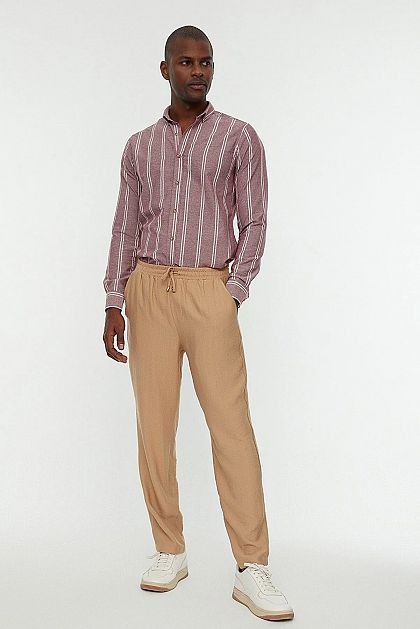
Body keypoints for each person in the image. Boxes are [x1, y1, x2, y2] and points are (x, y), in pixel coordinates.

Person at [102, 25, 294, 622]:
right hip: (148, 289)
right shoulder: (139, 146)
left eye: (206, 62)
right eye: (186, 62)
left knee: (231, 427)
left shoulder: (239, 137)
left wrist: (232, 291)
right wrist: (114, 299)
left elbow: (254, 220)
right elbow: (125, 223)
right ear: (165, 70)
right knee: (154, 427)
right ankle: (169, 549)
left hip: (210, 289)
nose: (198, 72)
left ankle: (252, 566)